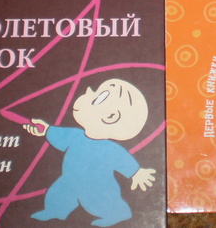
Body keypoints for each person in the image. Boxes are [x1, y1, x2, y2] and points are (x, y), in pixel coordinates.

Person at [23, 79, 156, 226]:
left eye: (98, 97)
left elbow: (122, 159)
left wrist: (136, 172)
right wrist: (46, 130)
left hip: (98, 186)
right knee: (58, 194)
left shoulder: (109, 148)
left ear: (111, 117)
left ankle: (119, 214)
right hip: (70, 180)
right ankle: (55, 211)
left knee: (100, 203)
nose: (88, 91)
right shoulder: (76, 135)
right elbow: (60, 136)